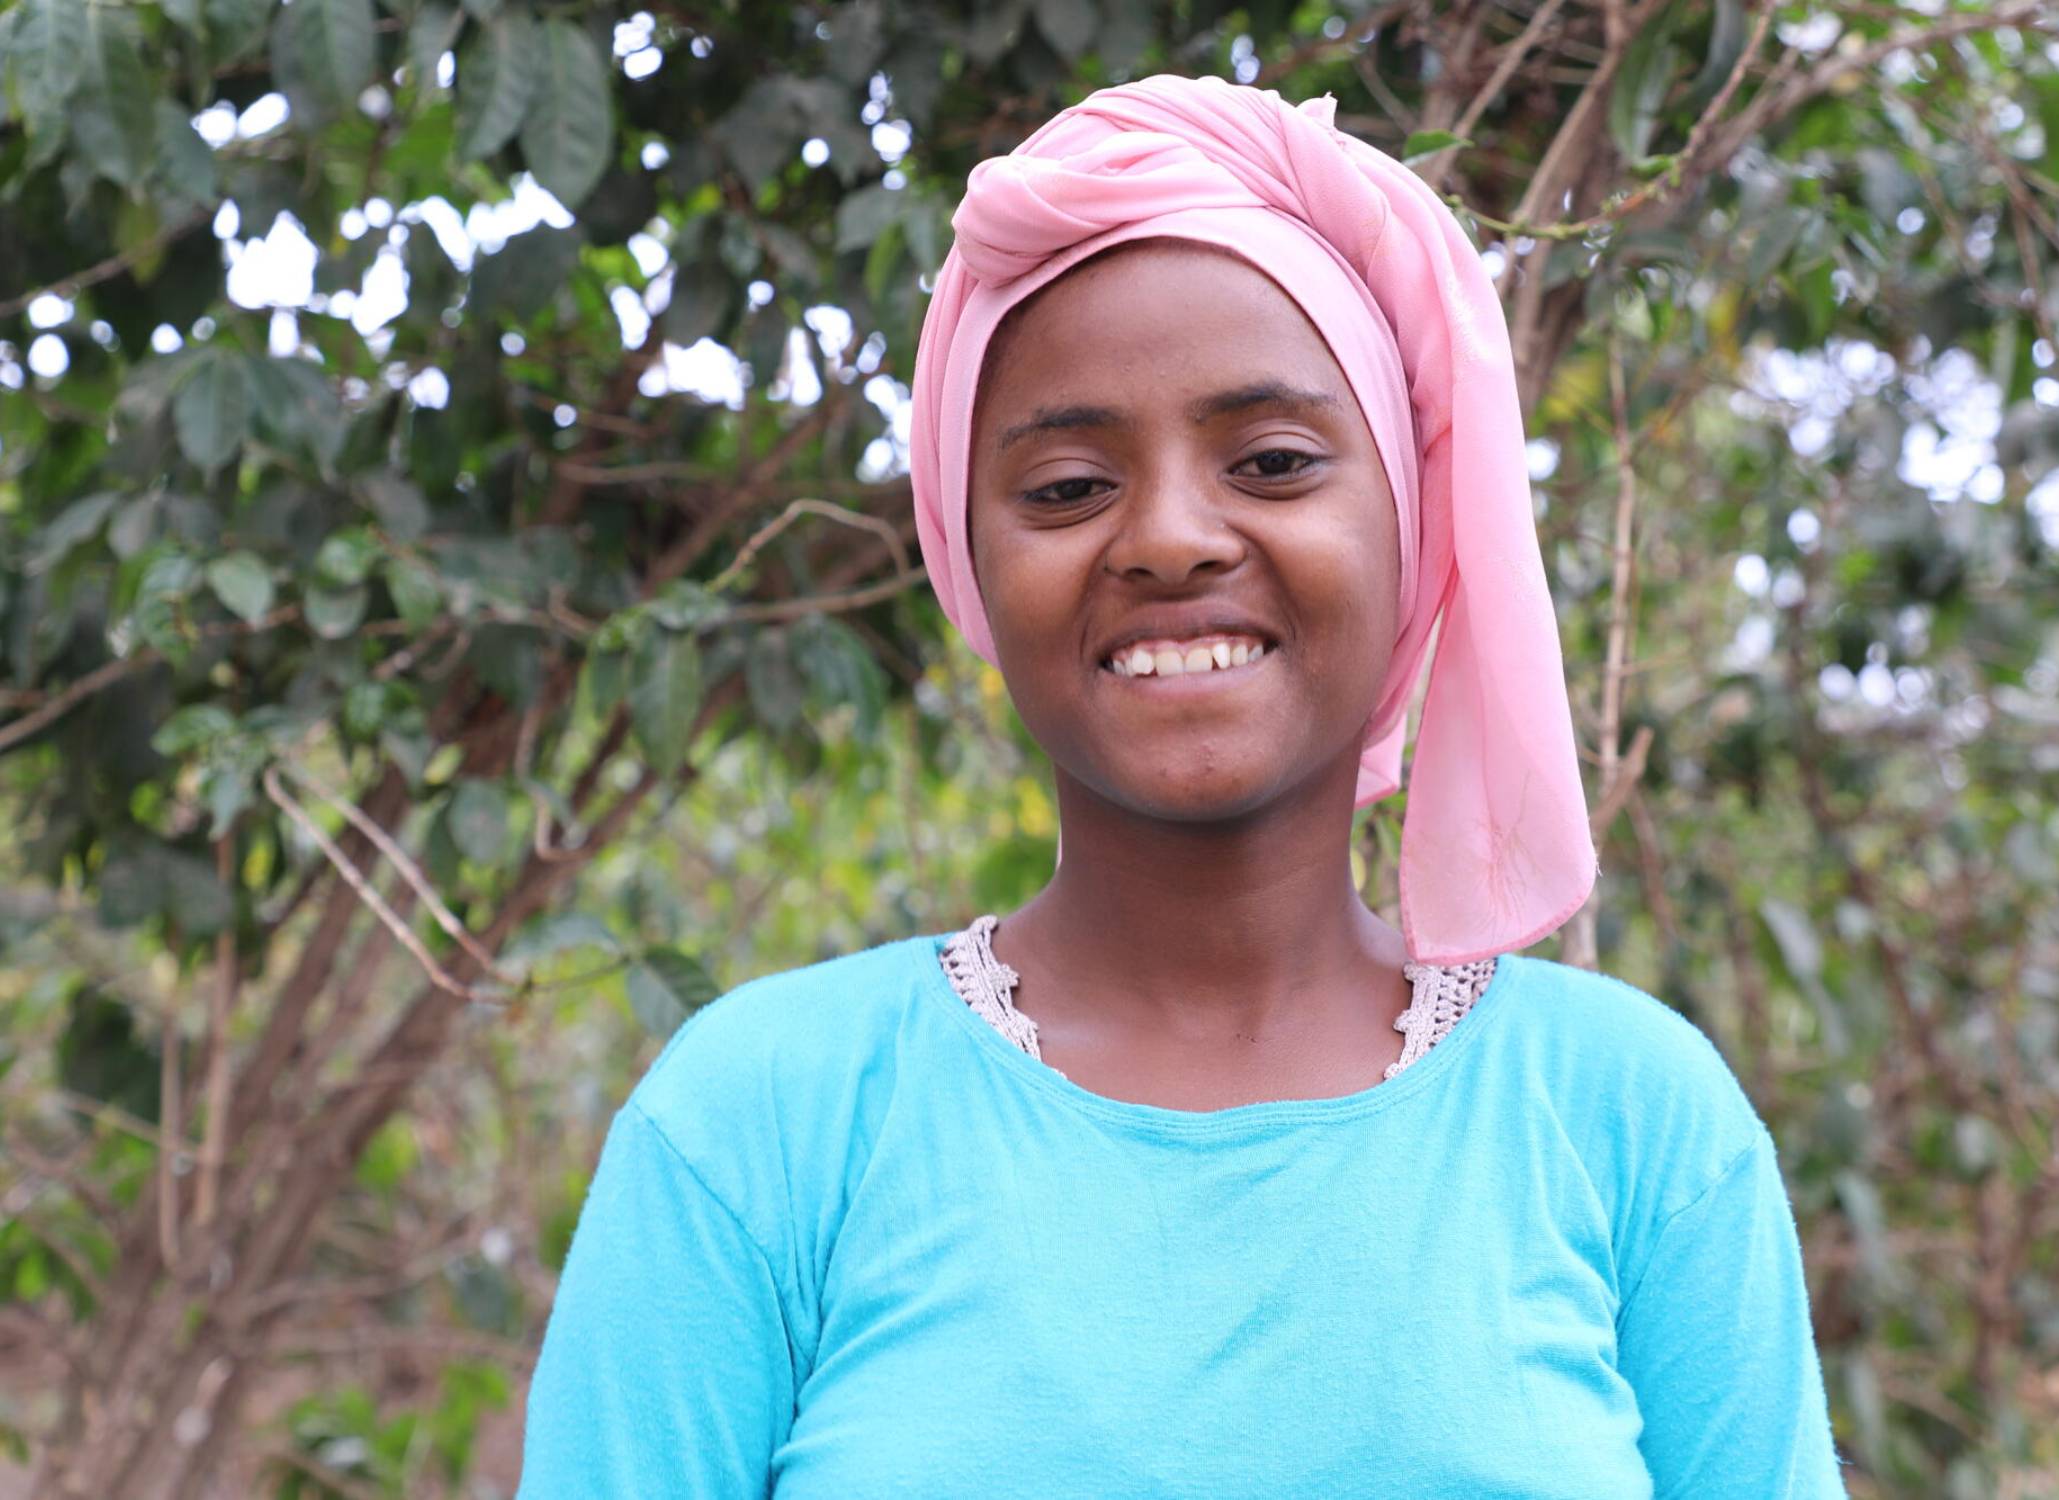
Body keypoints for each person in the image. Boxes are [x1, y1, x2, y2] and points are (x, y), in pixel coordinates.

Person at [519, 73, 1849, 1497]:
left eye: (1271, 462)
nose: (1167, 537)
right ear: (968, 562)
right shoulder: (762, 1123)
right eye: (1065, 487)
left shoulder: (1631, 1123)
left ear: (1412, 528)